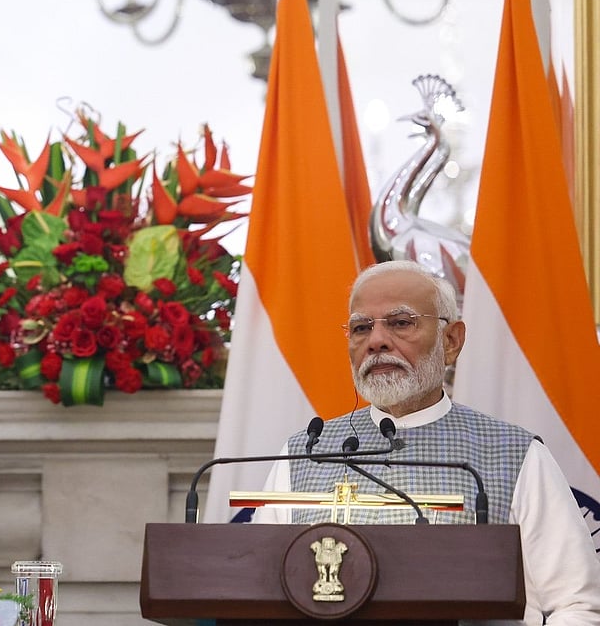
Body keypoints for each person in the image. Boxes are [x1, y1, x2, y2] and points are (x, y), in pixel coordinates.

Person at [254, 260, 600, 625]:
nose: (376, 341)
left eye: (401, 323)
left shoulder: (512, 453)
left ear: (451, 341)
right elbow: (258, 590)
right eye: (361, 328)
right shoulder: (305, 454)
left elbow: (576, 605)